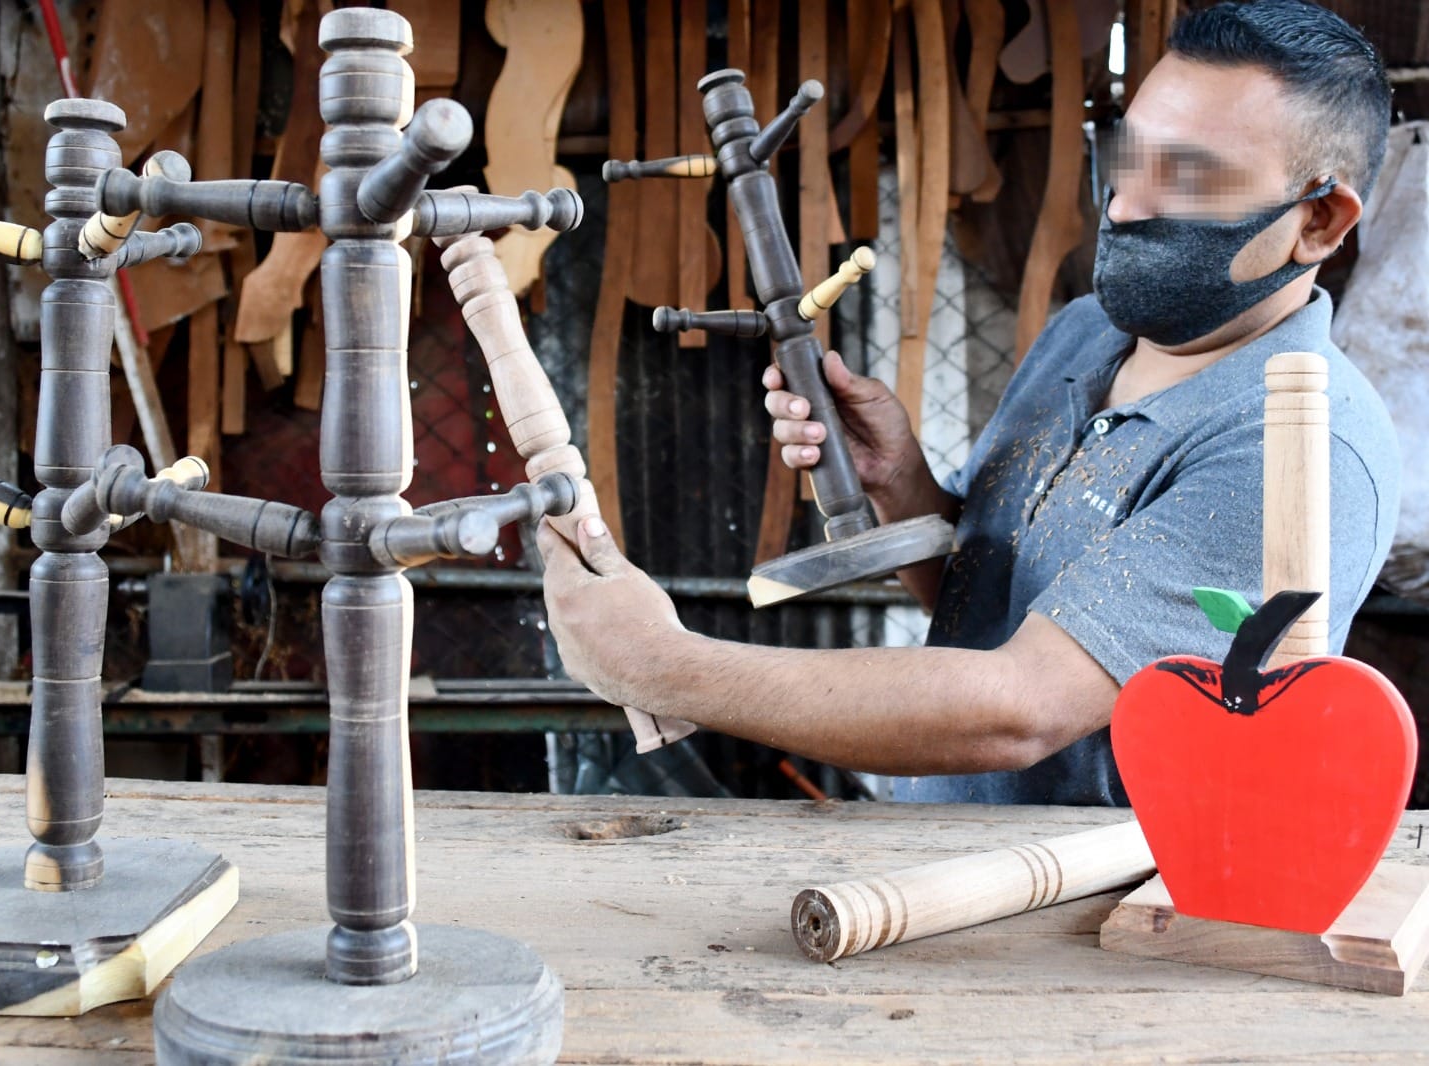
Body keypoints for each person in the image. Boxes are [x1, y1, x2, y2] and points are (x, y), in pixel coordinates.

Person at [538, 0, 1401, 805]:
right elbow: (983, 604)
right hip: (946, 855)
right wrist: (902, 483)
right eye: (1131, 154)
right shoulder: (1088, 334)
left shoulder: (1298, 449)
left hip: (1100, 904)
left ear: (1319, 220)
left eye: (1190, 176)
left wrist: (661, 665)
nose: (1128, 202)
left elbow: (1021, 707)